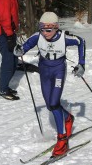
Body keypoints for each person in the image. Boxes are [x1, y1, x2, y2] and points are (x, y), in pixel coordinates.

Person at [13, 12, 86, 157]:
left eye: (49, 29)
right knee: (49, 105)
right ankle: (68, 118)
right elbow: (24, 47)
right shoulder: (37, 36)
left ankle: (62, 139)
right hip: (44, 70)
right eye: (42, 28)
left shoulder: (64, 37)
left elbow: (81, 41)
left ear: (56, 28)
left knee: (54, 103)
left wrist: (82, 64)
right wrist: (19, 50)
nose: (45, 33)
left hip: (58, 70)